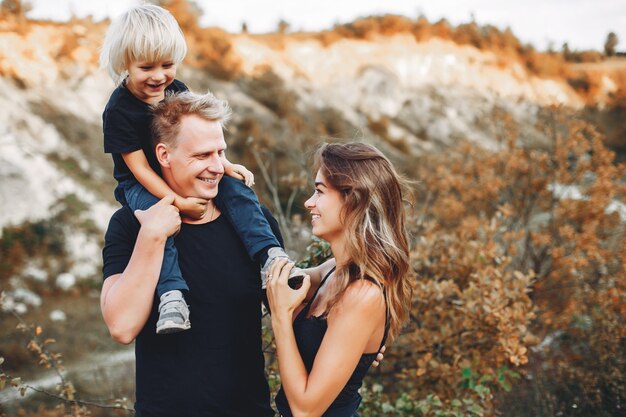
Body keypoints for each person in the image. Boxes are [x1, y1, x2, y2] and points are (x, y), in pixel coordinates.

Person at [99, 4, 300, 334]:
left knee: (235, 188)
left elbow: (202, 136)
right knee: (158, 218)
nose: (159, 76)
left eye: (167, 65)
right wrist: (175, 203)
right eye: (146, 67)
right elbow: (138, 169)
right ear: (125, 64)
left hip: (180, 175)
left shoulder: (176, 89)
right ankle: (172, 295)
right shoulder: (118, 110)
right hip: (139, 183)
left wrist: (225, 163)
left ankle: (270, 257)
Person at [101, 90, 281, 417]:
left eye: (221, 153)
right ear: (164, 155)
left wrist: (360, 339)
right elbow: (122, 327)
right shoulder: (129, 225)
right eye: (202, 156)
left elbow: (289, 315)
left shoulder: (255, 223)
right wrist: (153, 234)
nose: (217, 167)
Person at [266, 142, 414, 417]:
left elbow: (305, 410)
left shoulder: (362, 294)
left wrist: (281, 317)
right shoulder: (331, 270)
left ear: (353, 200)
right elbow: (273, 281)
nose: (309, 202)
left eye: (320, 191)